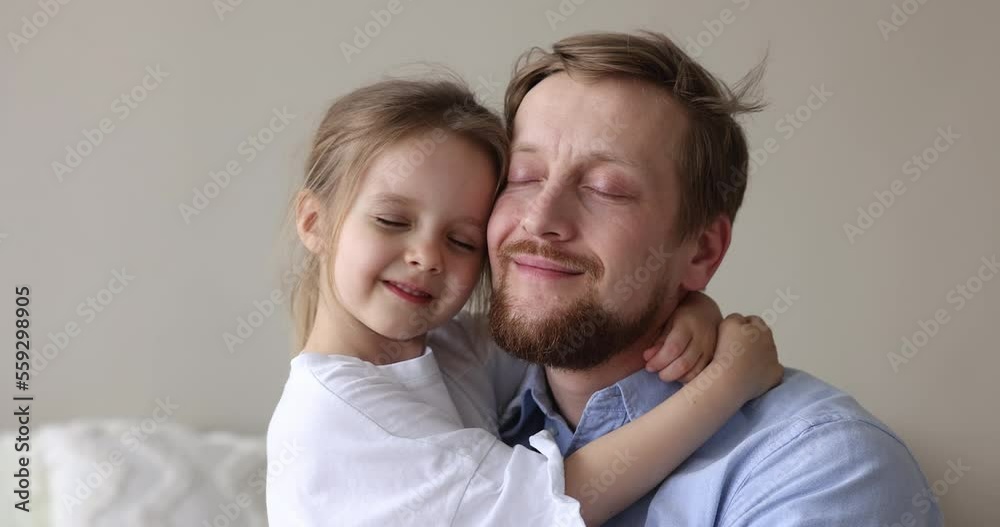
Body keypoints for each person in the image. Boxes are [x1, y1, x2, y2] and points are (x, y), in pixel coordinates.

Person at [265, 76, 784, 526]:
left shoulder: (448, 352)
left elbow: (572, 325)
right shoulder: (330, 424)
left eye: (462, 240)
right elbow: (551, 503)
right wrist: (724, 384)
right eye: (392, 221)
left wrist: (690, 304)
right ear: (314, 222)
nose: (426, 257)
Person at [487, 31, 945, 525]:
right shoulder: (456, 407)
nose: (539, 217)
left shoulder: (826, 467)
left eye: (607, 188)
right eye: (522, 176)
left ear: (702, 251)